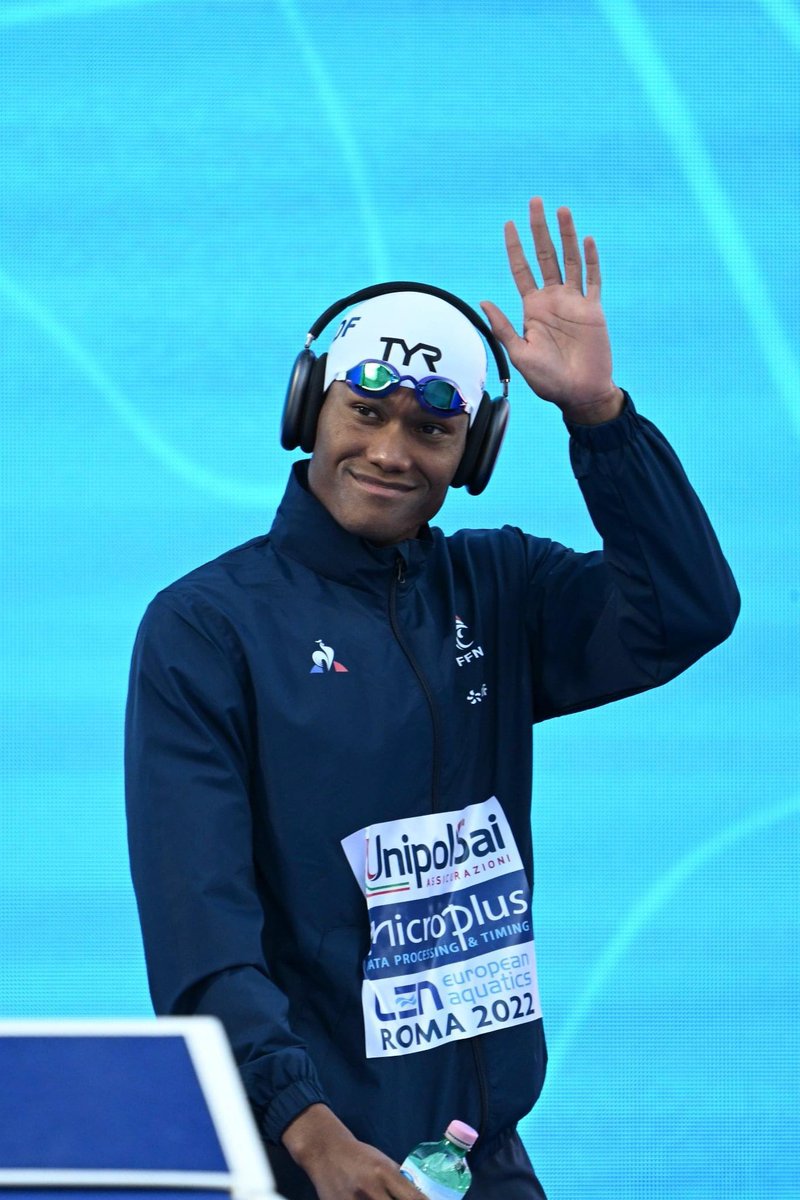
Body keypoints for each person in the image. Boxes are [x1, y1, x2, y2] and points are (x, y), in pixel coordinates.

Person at [125, 198, 739, 1200]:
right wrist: (307, 1132)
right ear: (306, 411)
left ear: (474, 455)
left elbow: (687, 610)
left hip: (474, 1160)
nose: (391, 452)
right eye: (363, 413)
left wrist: (599, 419)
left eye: (430, 428)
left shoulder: (500, 592)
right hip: (309, 1161)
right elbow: (202, 935)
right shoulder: (206, 627)